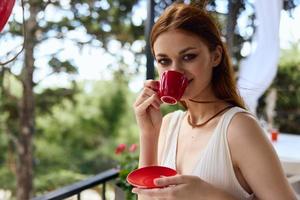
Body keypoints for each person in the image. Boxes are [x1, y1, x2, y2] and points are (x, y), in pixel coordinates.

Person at [132, 3, 296, 200]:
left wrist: (209, 195)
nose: (175, 71)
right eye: (164, 61)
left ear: (215, 56)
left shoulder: (239, 128)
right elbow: (148, 198)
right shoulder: (168, 124)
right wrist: (148, 132)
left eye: (188, 56)